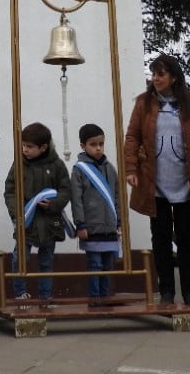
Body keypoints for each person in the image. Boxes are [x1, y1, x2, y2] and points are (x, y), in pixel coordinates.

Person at [123, 53, 190, 308]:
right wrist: (131, 169)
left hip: (185, 182)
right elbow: (132, 138)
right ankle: (167, 291)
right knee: (159, 238)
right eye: (153, 74)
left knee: (186, 239)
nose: (156, 79)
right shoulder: (144, 104)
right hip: (154, 183)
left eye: (161, 74)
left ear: (173, 76)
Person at [3, 121, 71, 302]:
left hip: (50, 222)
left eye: (29, 147)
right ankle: (20, 295)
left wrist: (54, 204)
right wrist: (16, 212)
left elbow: (66, 190)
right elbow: (10, 190)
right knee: (20, 260)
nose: (25, 150)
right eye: (23, 145)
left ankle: (45, 298)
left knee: (46, 262)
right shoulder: (19, 164)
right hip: (26, 221)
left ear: (43, 148)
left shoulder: (57, 165)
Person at [69, 123, 121, 302]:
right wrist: (80, 224)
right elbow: (76, 200)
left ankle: (106, 298)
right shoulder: (79, 170)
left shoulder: (110, 169)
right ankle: (95, 299)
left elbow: (117, 196)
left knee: (108, 265)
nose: (98, 148)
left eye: (101, 144)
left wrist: (119, 221)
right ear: (83, 146)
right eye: (93, 144)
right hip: (91, 227)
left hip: (110, 227)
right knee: (95, 264)